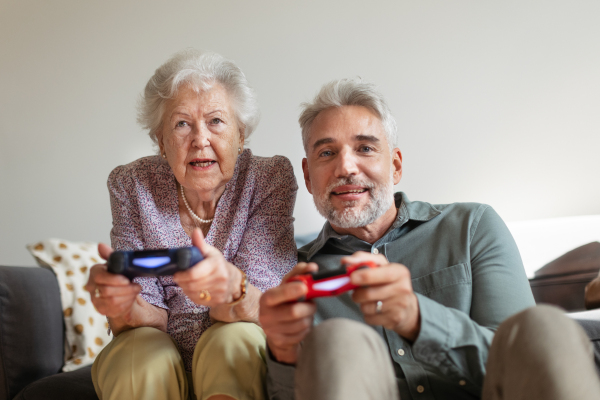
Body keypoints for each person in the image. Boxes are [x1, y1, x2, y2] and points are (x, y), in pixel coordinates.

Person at [259, 78, 600, 400]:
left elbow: (523, 363)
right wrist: (284, 353)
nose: (346, 167)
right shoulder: (291, 275)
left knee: (545, 327)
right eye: (327, 153)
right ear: (308, 175)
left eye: (364, 148)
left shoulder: (471, 226)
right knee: (337, 341)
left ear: (395, 166)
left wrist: (417, 317)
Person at [84, 49, 298, 400]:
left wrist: (231, 288)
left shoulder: (268, 177)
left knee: (233, 338)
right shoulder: (132, 184)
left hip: (237, 332)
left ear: (241, 134)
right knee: (136, 353)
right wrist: (121, 305)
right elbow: (147, 318)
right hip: (158, 348)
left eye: (216, 121)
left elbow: (263, 305)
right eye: (182, 123)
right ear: (160, 141)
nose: (200, 139)